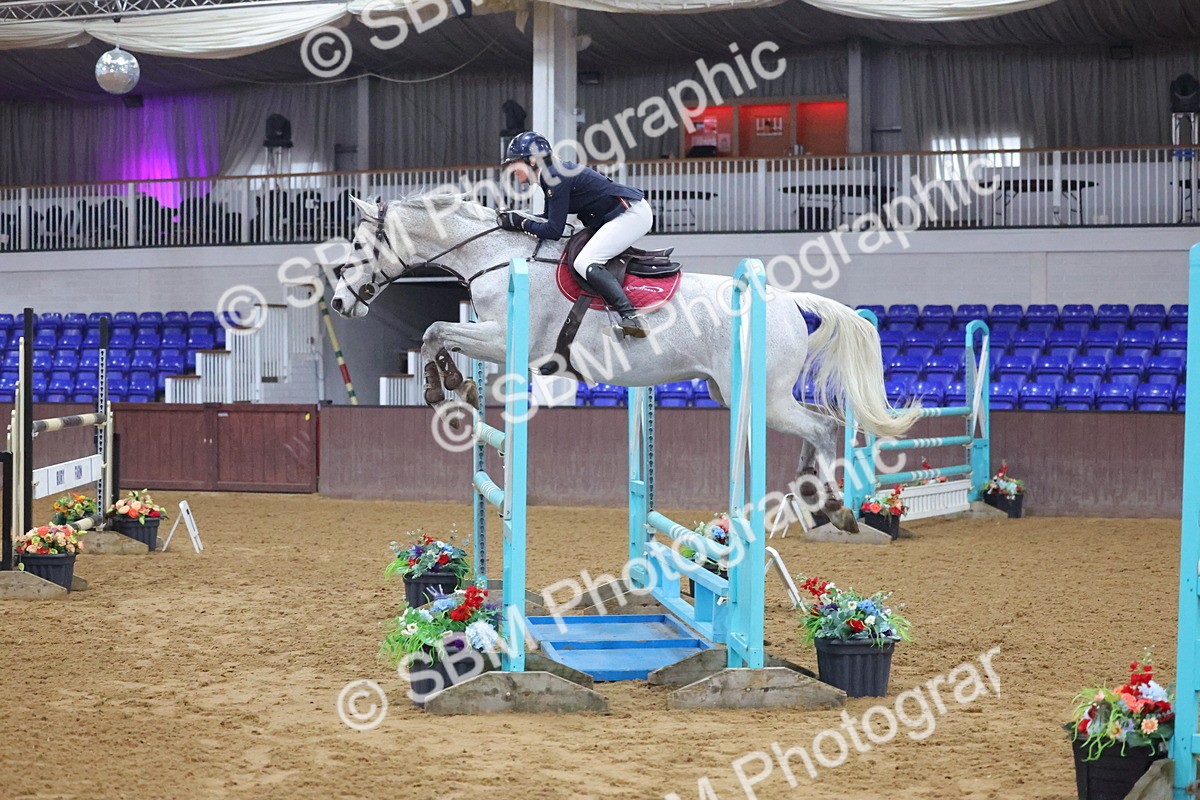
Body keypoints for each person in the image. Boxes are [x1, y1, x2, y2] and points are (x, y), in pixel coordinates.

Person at [498, 131, 653, 338]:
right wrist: (517, 219)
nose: (512, 170)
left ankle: (631, 316)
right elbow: (548, 217)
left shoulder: (555, 177)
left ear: (532, 161)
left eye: (515, 163)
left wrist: (520, 222)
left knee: (585, 261)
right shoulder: (550, 176)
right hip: (620, 214)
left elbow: (553, 230)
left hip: (631, 213)